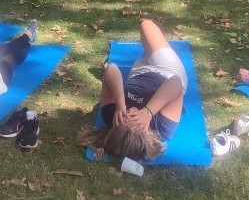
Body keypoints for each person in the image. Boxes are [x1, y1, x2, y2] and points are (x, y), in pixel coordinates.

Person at [78, 19, 187, 161]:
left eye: (124, 120)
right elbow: (176, 82)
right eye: (133, 120)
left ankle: (148, 54)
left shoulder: (113, 117)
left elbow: (111, 69)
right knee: (146, 24)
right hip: (167, 69)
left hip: (138, 71)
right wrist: (148, 112)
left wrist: (120, 104)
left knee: (144, 26)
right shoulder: (161, 128)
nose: (129, 112)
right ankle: (150, 53)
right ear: (144, 132)